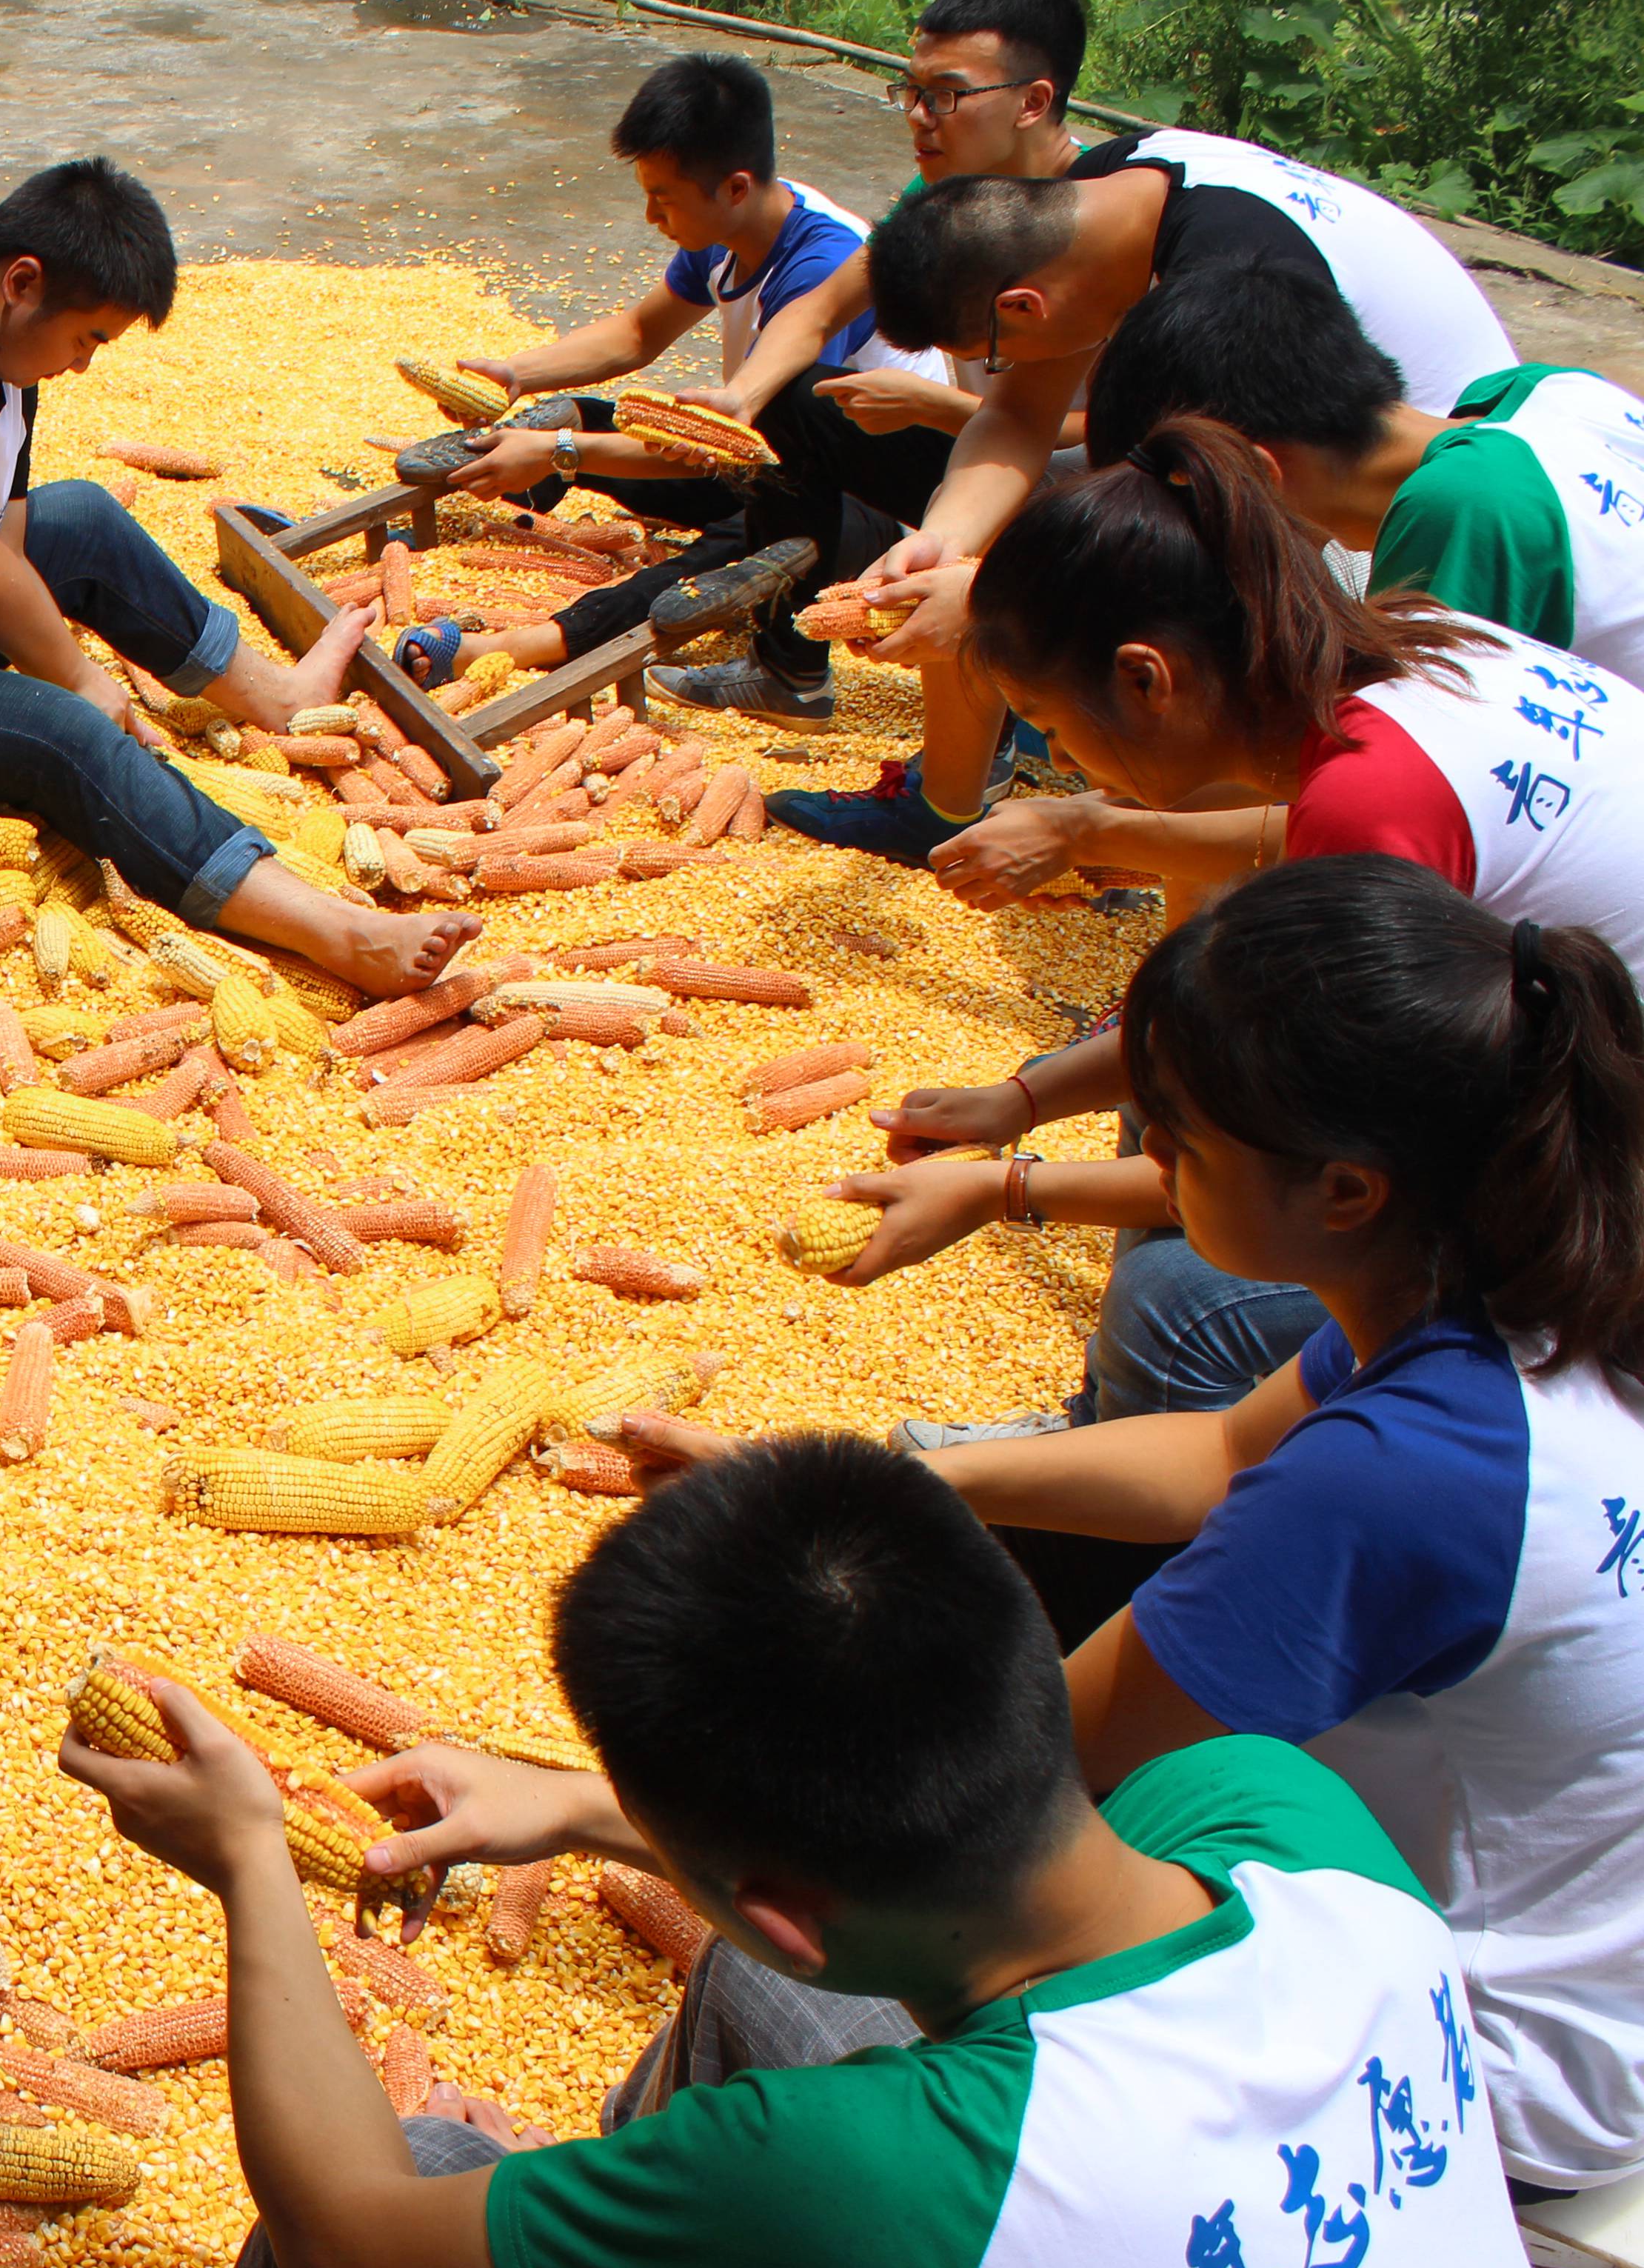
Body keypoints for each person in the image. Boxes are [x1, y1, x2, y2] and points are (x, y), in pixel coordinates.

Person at [0, 1434, 1568, 2268]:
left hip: (850, 2267)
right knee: (764, 2022)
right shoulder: (1297, 1832)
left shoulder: (860, 2186)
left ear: (779, 1901)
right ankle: (614, 2241)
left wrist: (255, 1864)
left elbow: (348, 2244)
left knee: (408, 2180)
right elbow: (928, 1842)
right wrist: (567, 1804)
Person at [629, 859, 1644, 2201]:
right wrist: (894, 1484)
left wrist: (647, 1803)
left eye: (1177, 1147)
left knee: (778, 1983)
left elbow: (1027, 1781)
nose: (1146, 1167)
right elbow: (1221, 1451)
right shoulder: (1516, 1277)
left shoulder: (1389, 1481)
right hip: (1590, 1956)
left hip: (1491, 2060)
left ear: (1343, 1190)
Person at [814, 426, 1643, 1444]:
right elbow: (1286, 855)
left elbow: (1319, 1161)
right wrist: (1024, 1098)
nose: (1069, 762)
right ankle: (1109, 1433)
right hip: (1566, 1071)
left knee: (1179, 1310)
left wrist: (1005, 1189)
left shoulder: (1376, 807)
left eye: (1054, 726)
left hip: (1607, 1187)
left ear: (1144, 680)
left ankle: (1182, 1519)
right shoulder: (1410, 644)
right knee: (1183, 1056)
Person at [0, 159, 477, 999]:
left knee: (86, 520)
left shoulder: (4, 362)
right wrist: (76, 681)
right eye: (89, 338)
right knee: (62, 731)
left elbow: (11, 549)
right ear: (23, 282)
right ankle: (336, 932)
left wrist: (62, 666)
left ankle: (276, 700)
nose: (84, 365)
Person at [768, 124, 1520, 862]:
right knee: (992, 547)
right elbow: (1018, 416)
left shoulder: (1230, 291)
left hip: (1383, 514)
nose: (996, 371)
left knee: (1215, 682)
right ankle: (946, 807)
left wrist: (994, 600)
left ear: (1025, 307)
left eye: (988, 353)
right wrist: (945, 544)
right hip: (1328, 465)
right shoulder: (1105, 192)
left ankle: (1178, 900)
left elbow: (1221, 555)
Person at [646, 0, 1089, 853]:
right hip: (1003, 441)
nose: (920, 117)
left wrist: (936, 408)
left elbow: (1109, 434)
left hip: (1107, 476)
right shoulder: (944, 190)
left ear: (1032, 101)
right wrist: (743, 400)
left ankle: (982, 764)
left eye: (947, 96)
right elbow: (818, 313)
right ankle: (789, 670)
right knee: (795, 401)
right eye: (911, 90)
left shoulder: (1102, 220)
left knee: (966, 556)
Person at [391, 53, 929, 686]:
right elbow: (639, 332)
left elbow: (753, 454)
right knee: (592, 414)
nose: (650, 218)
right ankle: (515, 482)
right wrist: (518, 374)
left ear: (733, 187)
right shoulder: (736, 228)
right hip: (756, 456)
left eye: (661, 200)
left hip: (853, 500)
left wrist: (564, 451)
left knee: (720, 558)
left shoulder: (820, 264)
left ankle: (526, 643)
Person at [1080, 261, 1644, 682]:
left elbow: (1390, 786)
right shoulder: (1542, 392)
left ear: (1253, 471)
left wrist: (1088, 826)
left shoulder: (1460, 510)